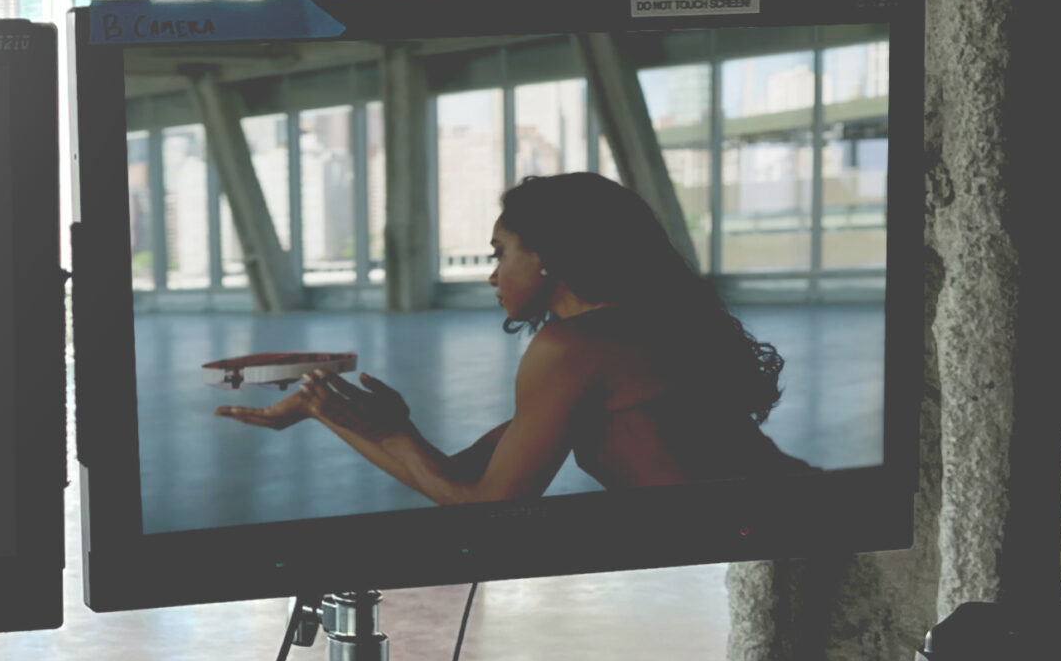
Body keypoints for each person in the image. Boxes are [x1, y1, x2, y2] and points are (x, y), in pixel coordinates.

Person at [217, 171, 812, 503]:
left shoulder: (571, 349)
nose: (492, 273)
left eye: (501, 253)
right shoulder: (635, 324)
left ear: (549, 257)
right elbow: (460, 476)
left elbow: (487, 511)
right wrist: (331, 411)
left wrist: (392, 430)